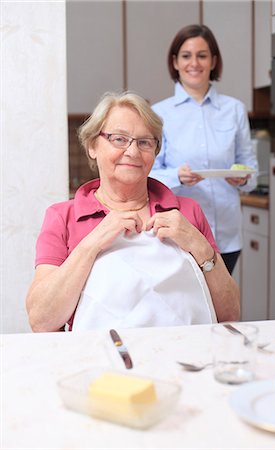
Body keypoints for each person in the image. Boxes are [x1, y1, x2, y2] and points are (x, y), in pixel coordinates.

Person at [26, 91, 240, 332]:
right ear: (92, 146)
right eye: (119, 139)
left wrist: (200, 246)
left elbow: (230, 313)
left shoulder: (188, 212)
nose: (133, 152)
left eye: (144, 142)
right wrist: (92, 243)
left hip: (186, 358)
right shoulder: (61, 217)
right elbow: (41, 321)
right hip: (100, 360)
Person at [150, 24, 258, 274]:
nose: (194, 63)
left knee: (221, 310)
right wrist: (176, 176)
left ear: (213, 61)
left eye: (202, 55)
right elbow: (148, 175)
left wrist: (242, 177)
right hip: (179, 233)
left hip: (227, 236)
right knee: (187, 309)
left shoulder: (235, 110)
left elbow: (251, 170)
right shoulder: (158, 113)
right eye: (186, 56)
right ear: (175, 62)